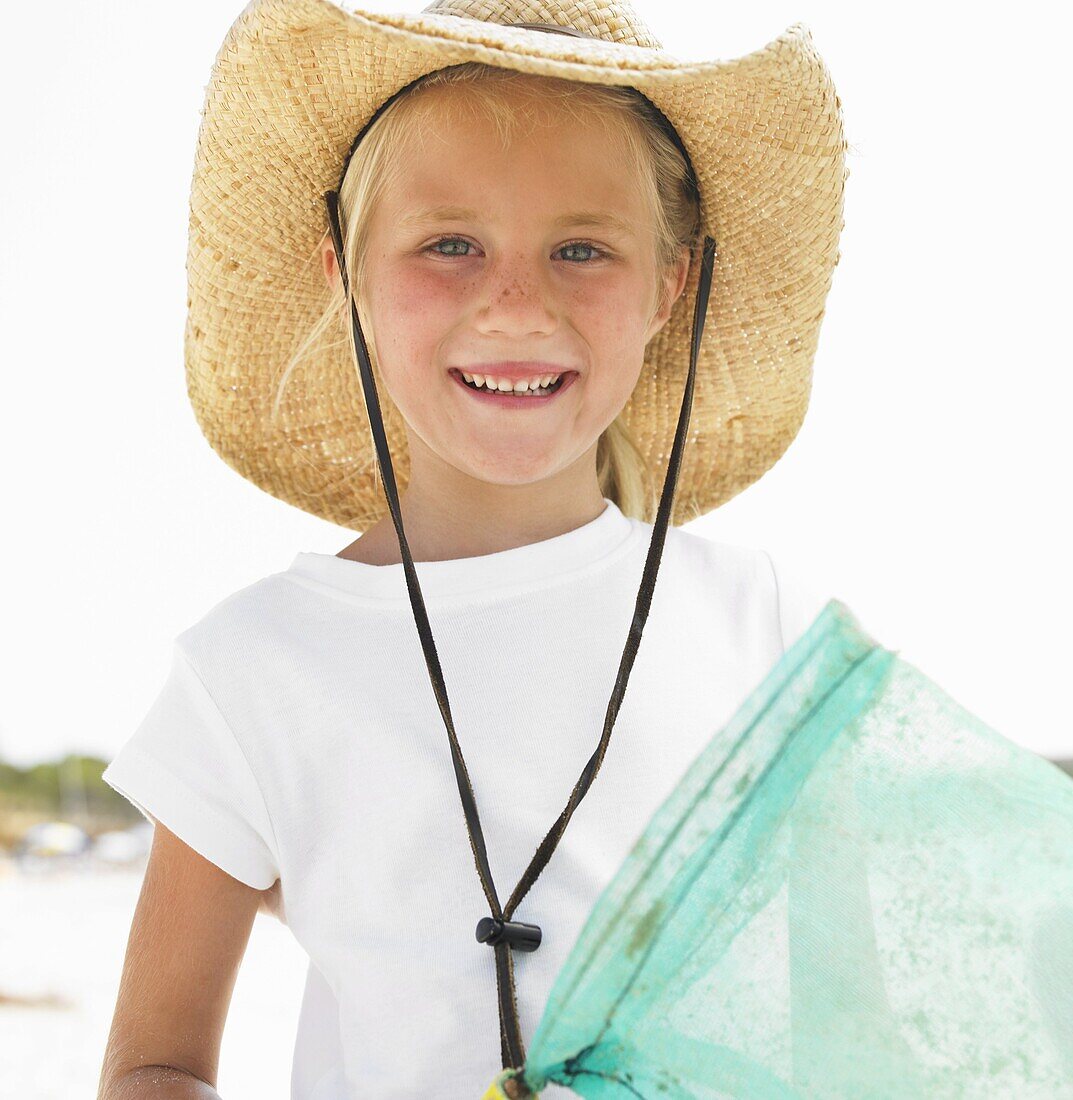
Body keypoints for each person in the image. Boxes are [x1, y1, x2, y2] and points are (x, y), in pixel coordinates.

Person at [96, 0, 846, 1096]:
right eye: (450, 244)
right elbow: (155, 1060)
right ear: (345, 277)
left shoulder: (761, 622)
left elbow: (854, 1011)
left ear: (668, 286)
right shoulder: (251, 668)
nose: (513, 300)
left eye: (581, 247)